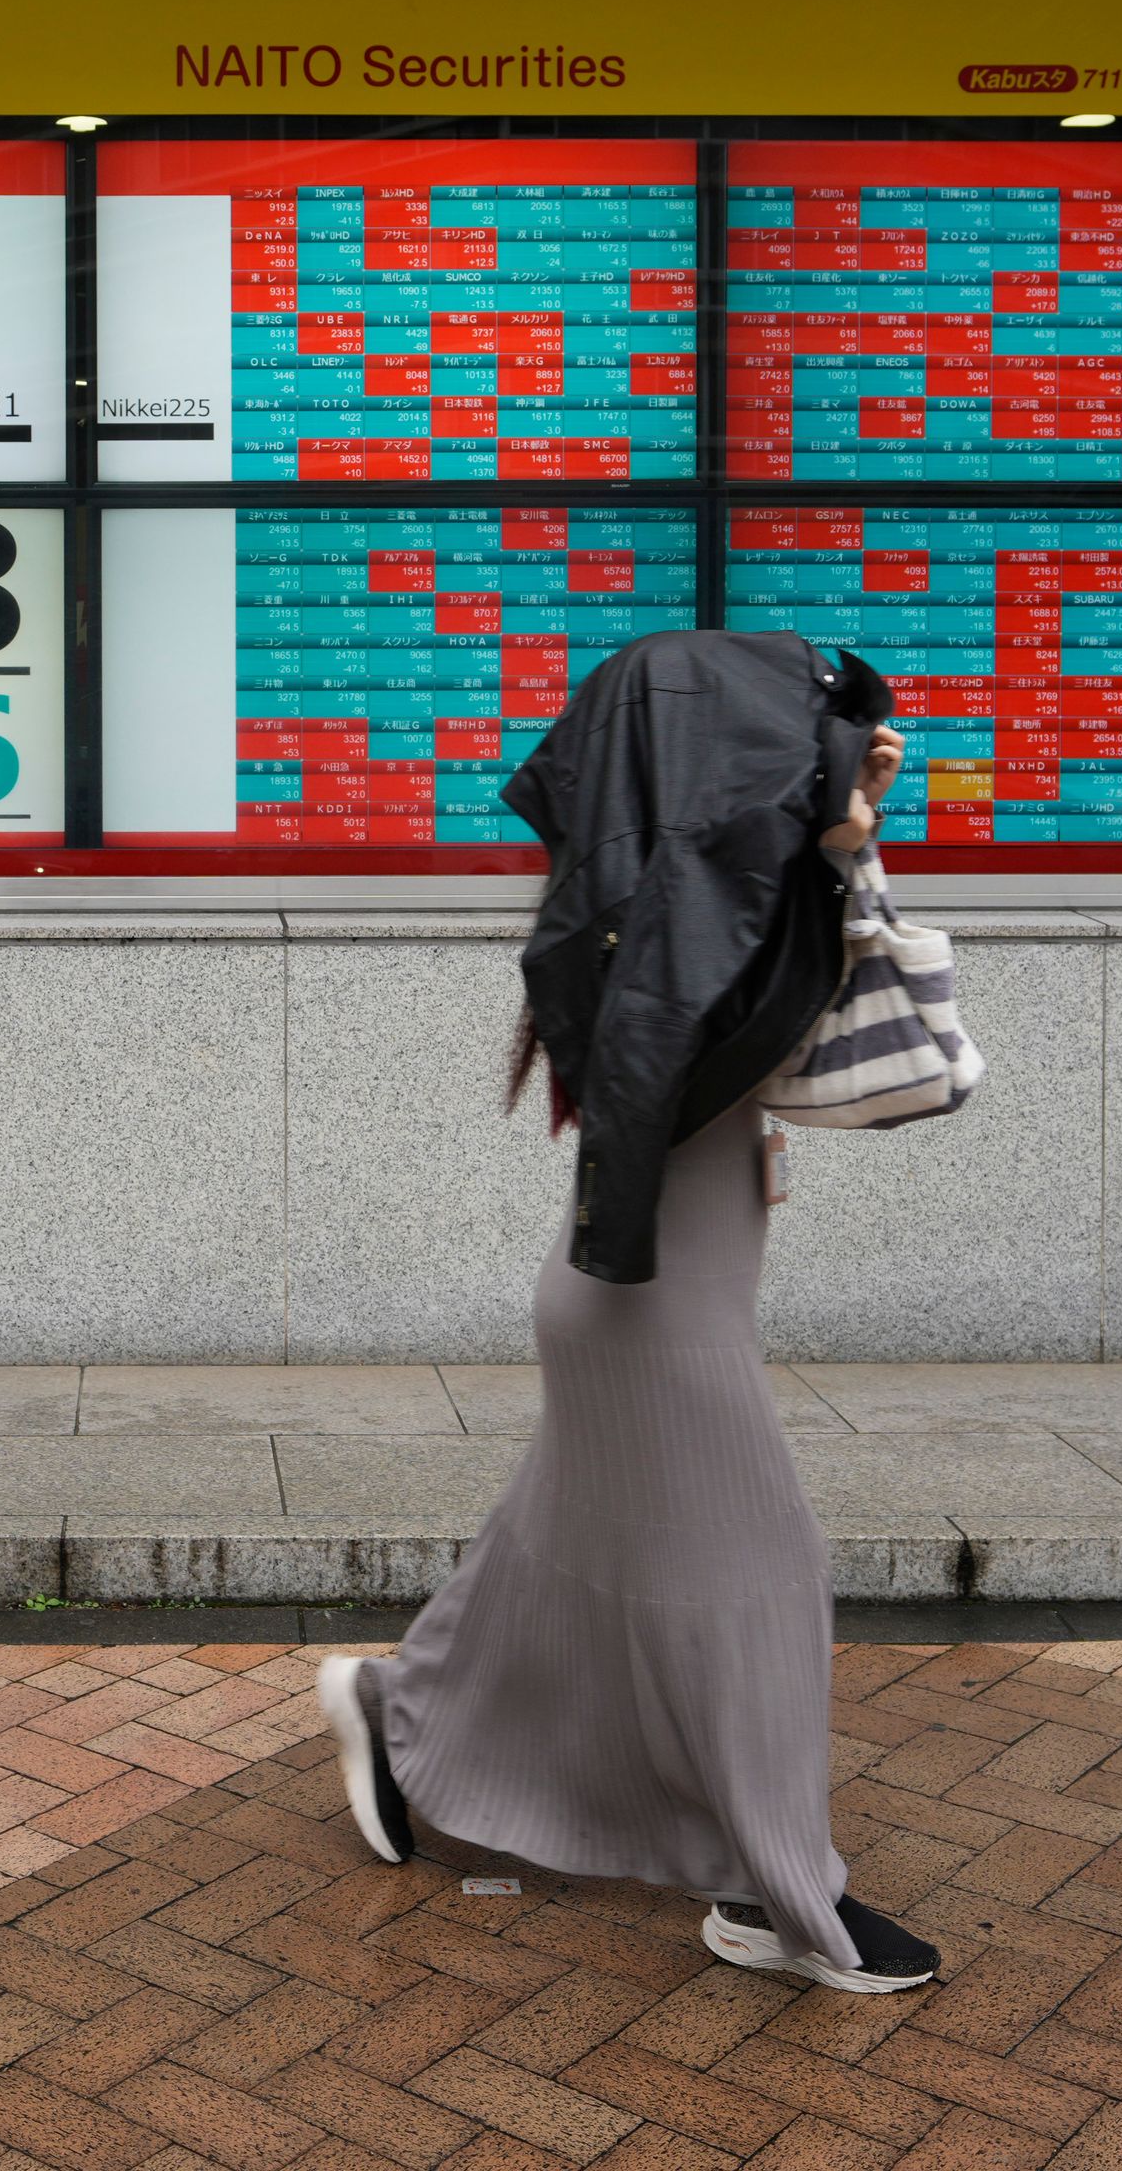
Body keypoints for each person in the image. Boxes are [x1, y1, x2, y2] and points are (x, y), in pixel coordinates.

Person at [313, 628, 947, 1997]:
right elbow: (756, 960)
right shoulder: (673, 953)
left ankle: (398, 1703)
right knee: (760, 1574)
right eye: (806, 762)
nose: (856, 784)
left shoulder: (720, 923)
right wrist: (831, 823)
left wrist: (843, 821)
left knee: (565, 1542)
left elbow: (802, 935)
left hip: (641, 1302)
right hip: (654, 1319)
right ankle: (771, 1891)